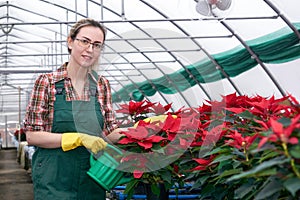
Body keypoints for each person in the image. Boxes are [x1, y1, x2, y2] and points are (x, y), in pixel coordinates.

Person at [24, 18, 123, 199]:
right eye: (84, 41)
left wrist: (143, 131)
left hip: (91, 178)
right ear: (70, 41)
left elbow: (109, 132)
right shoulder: (47, 83)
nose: (90, 49)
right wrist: (77, 138)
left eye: (97, 45)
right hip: (53, 179)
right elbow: (32, 135)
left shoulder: (101, 85)